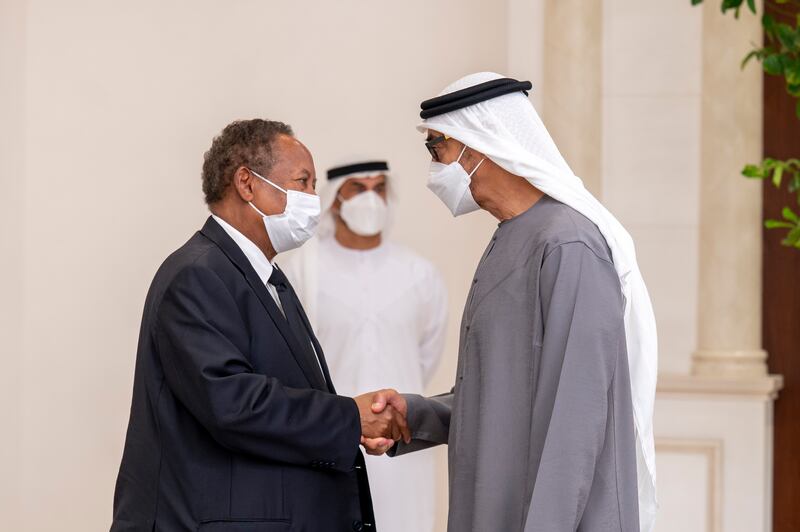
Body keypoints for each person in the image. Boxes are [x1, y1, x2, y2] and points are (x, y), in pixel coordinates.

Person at [365, 73, 659, 532]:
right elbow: (505, 390)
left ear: (477, 145)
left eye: (436, 147)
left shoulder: (567, 245)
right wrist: (416, 414)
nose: (434, 166)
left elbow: (576, 418)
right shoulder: (513, 237)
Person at [111, 119, 410, 532]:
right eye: (302, 182)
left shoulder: (266, 276)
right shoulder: (197, 275)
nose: (312, 199)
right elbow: (233, 403)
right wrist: (349, 418)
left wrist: (350, 430)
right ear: (246, 184)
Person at [283, 160, 448, 532]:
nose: (370, 198)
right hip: (329, 440)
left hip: (403, 443)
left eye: (379, 188)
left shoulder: (419, 272)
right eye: (358, 188)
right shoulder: (302, 270)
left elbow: (427, 355)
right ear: (335, 198)